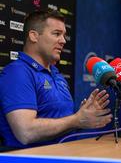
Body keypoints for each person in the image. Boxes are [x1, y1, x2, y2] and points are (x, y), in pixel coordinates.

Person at [0, 9, 112, 149]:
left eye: (64, 35)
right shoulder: (18, 72)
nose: (63, 41)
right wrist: (76, 120)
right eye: (56, 34)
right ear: (34, 36)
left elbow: (63, 126)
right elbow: (25, 132)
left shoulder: (57, 74)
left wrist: (83, 118)